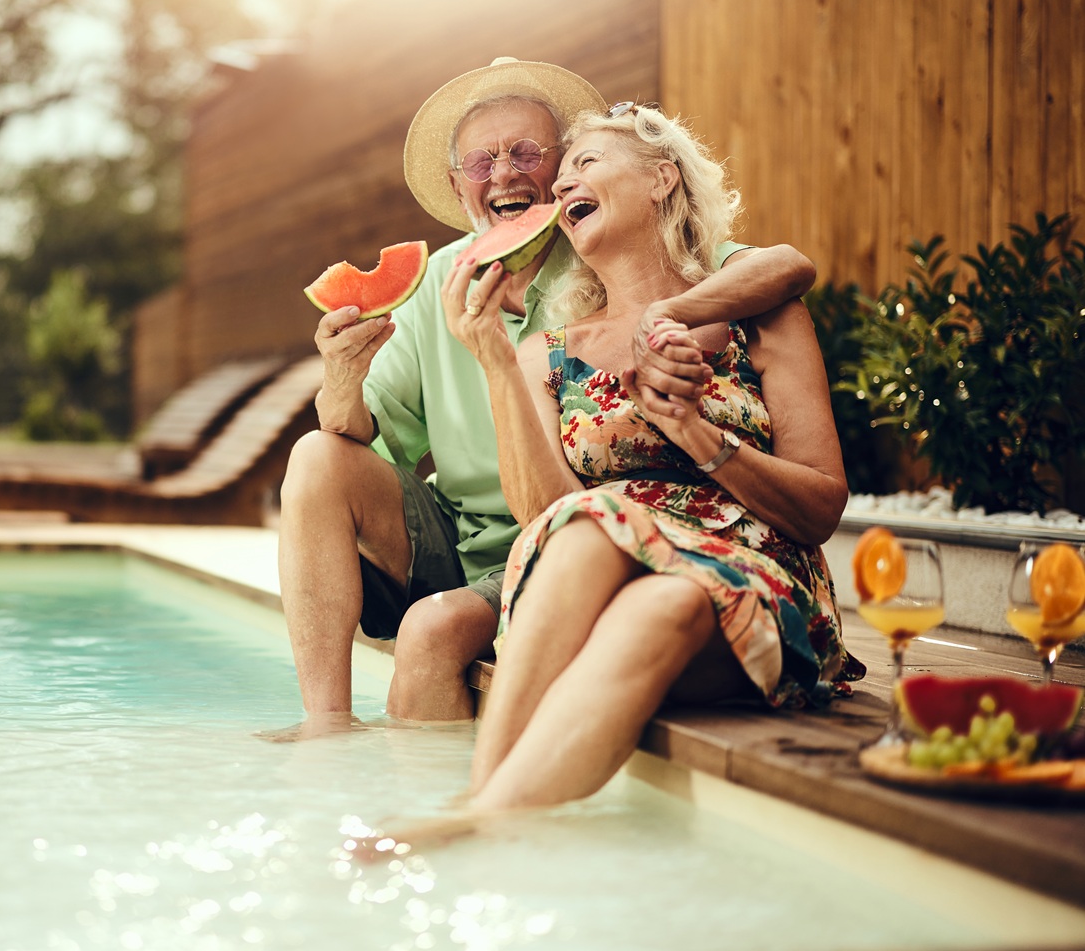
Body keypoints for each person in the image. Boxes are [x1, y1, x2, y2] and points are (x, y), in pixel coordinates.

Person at [275, 59, 820, 734]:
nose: (504, 173)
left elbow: (784, 267)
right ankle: (324, 722)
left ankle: (477, 802)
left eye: (527, 153)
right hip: (469, 538)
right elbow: (349, 427)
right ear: (457, 185)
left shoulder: (603, 244)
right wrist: (341, 374)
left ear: (561, 172)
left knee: (436, 629)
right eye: (481, 161)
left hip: (571, 534)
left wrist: (663, 315)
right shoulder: (441, 278)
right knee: (315, 455)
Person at [416, 101, 864, 830]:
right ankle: (483, 814)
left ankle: (471, 812)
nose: (562, 189)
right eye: (559, 183)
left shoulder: (759, 311)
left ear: (661, 178)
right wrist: (495, 356)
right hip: (598, 583)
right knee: (619, 553)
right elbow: (543, 514)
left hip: (757, 585)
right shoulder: (548, 354)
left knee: (662, 582)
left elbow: (820, 507)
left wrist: (693, 429)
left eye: (584, 165)